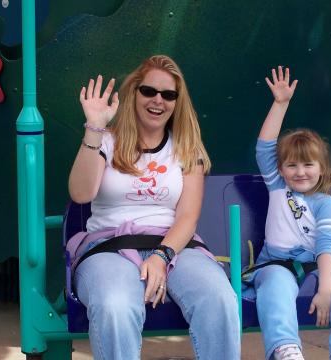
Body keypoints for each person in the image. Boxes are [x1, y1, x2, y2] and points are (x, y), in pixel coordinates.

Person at [68, 55, 240, 360]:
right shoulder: (106, 142)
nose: (158, 101)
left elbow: (187, 217)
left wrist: (163, 255)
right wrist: (94, 127)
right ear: (134, 93)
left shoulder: (187, 149)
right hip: (109, 247)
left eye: (168, 94)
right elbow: (81, 193)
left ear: (177, 101)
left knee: (220, 298)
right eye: (149, 91)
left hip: (173, 247)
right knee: (115, 305)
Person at [244, 66, 331, 360]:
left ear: (322, 167)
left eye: (308, 165)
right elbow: (264, 148)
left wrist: (326, 290)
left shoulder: (326, 203)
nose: (300, 172)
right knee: (275, 279)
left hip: (313, 269)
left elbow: (327, 247)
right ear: (282, 169)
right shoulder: (277, 186)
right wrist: (280, 104)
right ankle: (287, 348)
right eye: (292, 165)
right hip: (277, 263)